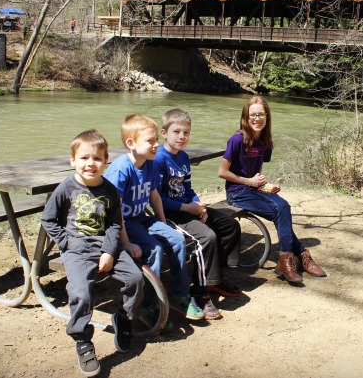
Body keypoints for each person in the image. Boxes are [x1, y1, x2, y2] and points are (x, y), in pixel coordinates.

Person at [41, 130, 144, 377]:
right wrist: (67, 243)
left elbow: (114, 224)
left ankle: (124, 318)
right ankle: (82, 340)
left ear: (106, 160)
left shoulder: (109, 190)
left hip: (106, 245)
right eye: (84, 158)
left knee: (135, 279)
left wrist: (109, 252)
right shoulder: (66, 187)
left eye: (97, 158)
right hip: (76, 249)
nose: (91, 164)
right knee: (81, 292)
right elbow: (49, 219)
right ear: (73, 160)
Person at [103, 114, 204, 328]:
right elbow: (114, 211)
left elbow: (155, 196)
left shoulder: (148, 163)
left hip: (141, 218)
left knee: (176, 240)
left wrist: (163, 222)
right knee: (155, 249)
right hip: (124, 223)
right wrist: (126, 242)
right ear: (131, 143)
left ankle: (179, 295)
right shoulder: (121, 169)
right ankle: (148, 307)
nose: (156, 144)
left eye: (156, 139)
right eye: (151, 141)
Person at [217, 96, 327, 283]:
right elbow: (222, 172)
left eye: (261, 114)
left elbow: (258, 168)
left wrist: (262, 183)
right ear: (245, 117)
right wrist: (249, 181)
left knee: (282, 208)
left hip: (254, 189)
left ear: (267, 117)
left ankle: (287, 260)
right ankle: (298, 256)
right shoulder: (236, 140)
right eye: (253, 115)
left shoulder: (265, 142)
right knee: (281, 209)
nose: (257, 118)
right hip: (237, 192)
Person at [155, 108, 242, 320]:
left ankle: (215, 278)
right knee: (207, 237)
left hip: (188, 207)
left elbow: (188, 188)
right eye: (176, 132)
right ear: (164, 132)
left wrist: (198, 205)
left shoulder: (184, 157)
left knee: (229, 225)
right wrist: (187, 209)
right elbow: (156, 197)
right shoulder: (158, 158)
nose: (182, 137)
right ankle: (200, 291)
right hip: (171, 214)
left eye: (186, 133)